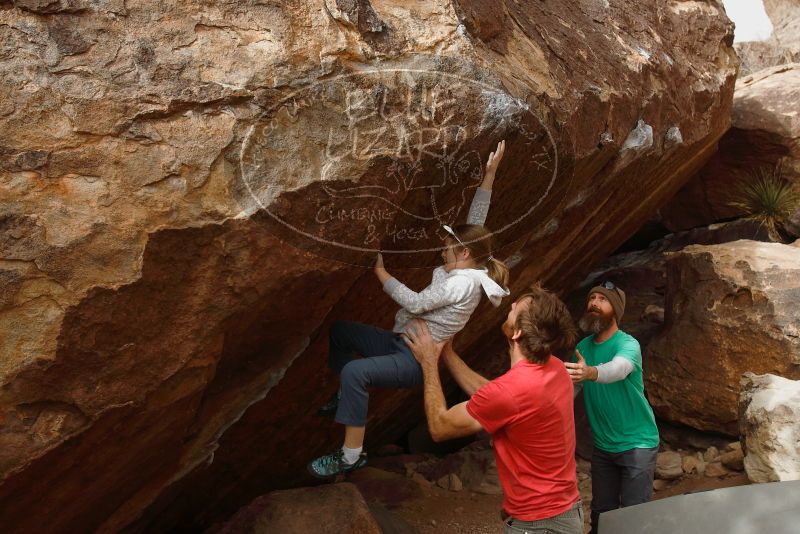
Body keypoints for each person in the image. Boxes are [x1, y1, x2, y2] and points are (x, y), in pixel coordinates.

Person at [307, 140, 511, 479]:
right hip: (398, 341)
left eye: (448, 248)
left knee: (355, 373)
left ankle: (350, 455)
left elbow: (416, 302)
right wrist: (489, 176)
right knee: (340, 332)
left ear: (462, 254)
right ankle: (346, 399)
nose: (442, 251)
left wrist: (382, 274)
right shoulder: (467, 264)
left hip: (412, 360)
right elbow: (475, 225)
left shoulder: (462, 283)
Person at [405, 286, 583, 534]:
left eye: (514, 310)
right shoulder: (556, 369)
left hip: (539, 524)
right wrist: (448, 353)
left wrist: (428, 362)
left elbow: (439, 426)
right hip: (564, 512)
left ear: (518, 333)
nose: (509, 307)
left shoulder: (512, 391)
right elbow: (496, 399)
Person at [565, 282, 660, 534]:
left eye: (602, 299)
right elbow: (572, 388)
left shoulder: (628, 345)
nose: (594, 302)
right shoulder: (583, 347)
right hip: (604, 446)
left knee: (633, 518)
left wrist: (591, 372)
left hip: (637, 443)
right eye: (592, 298)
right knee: (601, 516)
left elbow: (618, 369)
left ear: (615, 310)